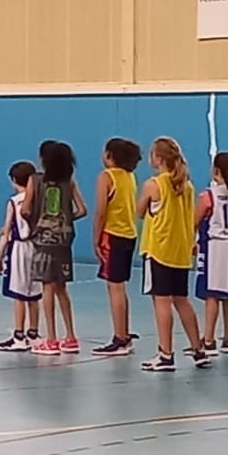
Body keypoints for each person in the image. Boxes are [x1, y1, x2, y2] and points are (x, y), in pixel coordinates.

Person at [137, 137, 209, 372]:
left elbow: (140, 212)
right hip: (180, 250)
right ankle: (198, 350)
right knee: (181, 299)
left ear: (158, 158)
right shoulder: (187, 186)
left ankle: (165, 354)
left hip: (159, 249)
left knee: (161, 301)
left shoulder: (154, 184)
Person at [24, 140, 86, 355]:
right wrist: (66, 219)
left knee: (47, 286)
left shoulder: (35, 180)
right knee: (61, 287)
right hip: (64, 239)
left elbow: (25, 209)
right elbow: (82, 210)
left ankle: (51, 338)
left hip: (44, 239)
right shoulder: (69, 182)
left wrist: (36, 223)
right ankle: (71, 336)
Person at [92, 138, 141, 357]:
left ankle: (120, 338)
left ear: (109, 155)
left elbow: (101, 211)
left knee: (115, 287)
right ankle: (124, 332)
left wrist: (96, 238)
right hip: (129, 234)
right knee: (120, 286)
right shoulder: (129, 176)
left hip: (113, 235)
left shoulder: (106, 177)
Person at [196, 151, 228, 355]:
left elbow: (194, 221)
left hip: (216, 245)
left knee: (212, 295)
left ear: (216, 171)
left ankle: (209, 340)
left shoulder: (209, 195)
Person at [0, 161, 43, 352]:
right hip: (37, 248)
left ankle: (19, 336)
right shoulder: (40, 199)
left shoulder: (14, 202)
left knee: (19, 295)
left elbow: (6, 231)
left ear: (14, 180)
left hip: (20, 249)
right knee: (34, 294)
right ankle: (33, 333)